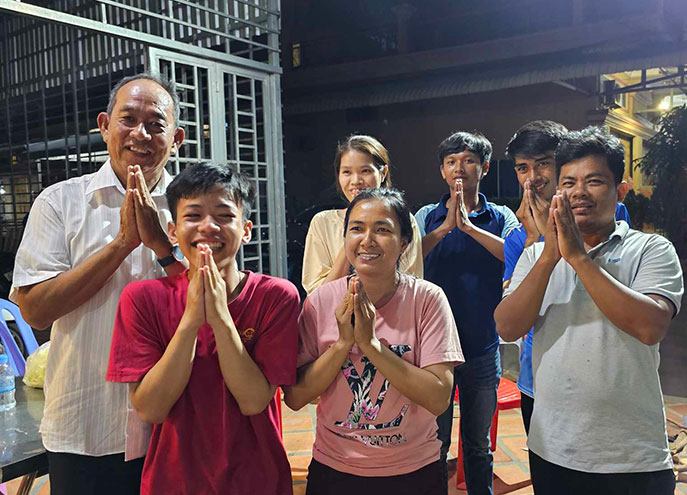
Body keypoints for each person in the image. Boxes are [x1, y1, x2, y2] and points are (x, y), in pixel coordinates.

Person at [10, 72, 185, 495]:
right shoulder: (61, 202)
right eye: (128, 119)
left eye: (156, 124)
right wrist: (123, 244)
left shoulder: (194, 209)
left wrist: (163, 248)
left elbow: (216, 302)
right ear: (105, 126)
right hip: (84, 427)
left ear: (176, 139)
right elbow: (35, 311)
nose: (140, 134)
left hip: (177, 425)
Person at [496, 127, 683, 495]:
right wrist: (550, 254)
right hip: (553, 448)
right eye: (569, 183)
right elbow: (507, 326)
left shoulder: (650, 249)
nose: (579, 192)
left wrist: (578, 257)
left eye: (594, 181)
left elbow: (650, 327)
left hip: (631, 455)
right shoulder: (536, 257)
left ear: (620, 191)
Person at [107, 162, 299, 494]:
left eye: (224, 216)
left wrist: (221, 317)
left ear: (246, 229)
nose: (208, 227)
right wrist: (191, 321)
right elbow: (150, 408)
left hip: (257, 480)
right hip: (174, 482)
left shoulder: (275, 296)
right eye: (193, 216)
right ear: (172, 231)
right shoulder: (142, 299)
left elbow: (254, 401)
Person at [285, 188, 463, 495]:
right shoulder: (320, 301)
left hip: (414, 470)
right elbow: (295, 397)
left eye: (382, 230)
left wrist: (371, 345)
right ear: (345, 238)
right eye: (357, 228)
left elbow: (438, 398)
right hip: (336, 468)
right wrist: (343, 344)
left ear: (404, 242)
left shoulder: (427, 300)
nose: (367, 240)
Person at [503, 120, 631, 434]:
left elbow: (626, 295)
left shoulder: (609, 214)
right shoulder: (517, 236)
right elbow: (514, 316)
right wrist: (536, 241)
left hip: (609, 377)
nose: (533, 178)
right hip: (540, 376)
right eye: (522, 168)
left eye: (543, 164)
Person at [415, 131, 518, 493]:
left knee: (478, 445)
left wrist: (470, 229)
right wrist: (445, 228)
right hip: (433, 351)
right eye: (451, 161)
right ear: (442, 170)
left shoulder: (501, 216)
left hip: (482, 347)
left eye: (469, 160)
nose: (459, 168)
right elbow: (408, 259)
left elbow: (515, 256)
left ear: (484, 167)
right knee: (434, 443)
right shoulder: (426, 215)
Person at [302, 135, 423, 294]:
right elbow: (317, 295)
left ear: (383, 173)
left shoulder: (402, 220)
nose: (356, 181)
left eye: (365, 171)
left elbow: (411, 286)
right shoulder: (323, 222)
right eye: (347, 172)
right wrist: (352, 236)